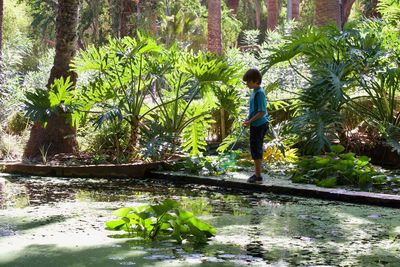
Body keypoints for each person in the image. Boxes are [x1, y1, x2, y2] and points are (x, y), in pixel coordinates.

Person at [242, 68, 269, 183]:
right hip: (254, 124)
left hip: (260, 124)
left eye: (248, 81)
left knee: (256, 149)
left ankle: (258, 176)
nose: (247, 84)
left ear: (256, 80)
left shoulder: (260, 93)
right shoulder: (254, 92)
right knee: (254, 148)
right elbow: (254, 110)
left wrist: (251, 121)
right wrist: (248, 119)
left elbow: (262, 112)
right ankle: (257, 174)